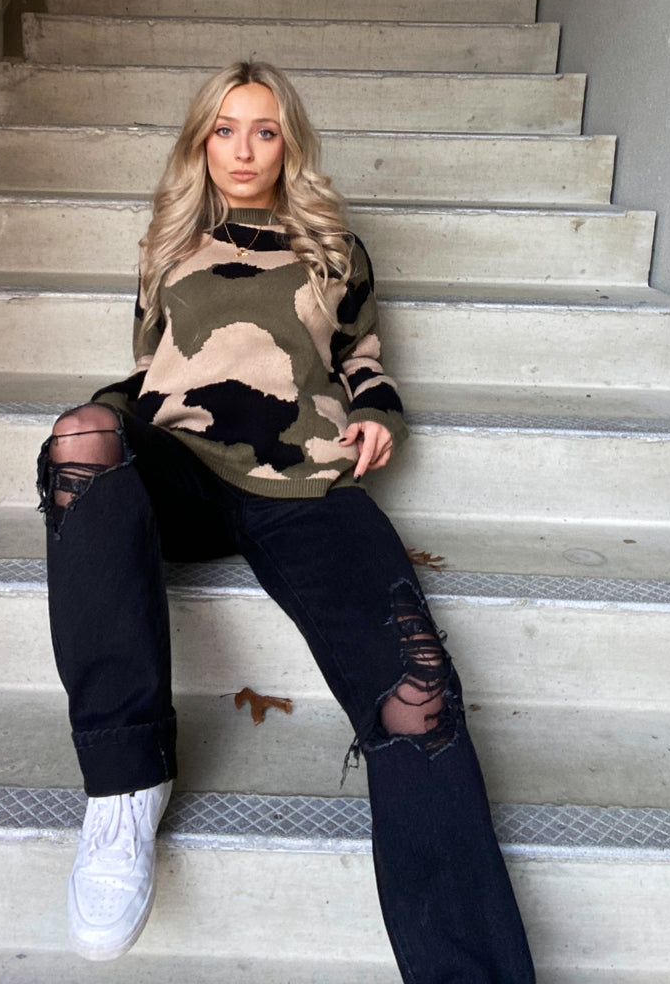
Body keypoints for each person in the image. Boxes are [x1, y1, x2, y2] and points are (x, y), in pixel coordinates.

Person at [37, 61, 535, 981]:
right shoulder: (166, 242)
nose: (243, 150)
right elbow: (154, 369)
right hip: (180, 466)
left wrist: (377, 414)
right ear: (201, 142)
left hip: (300, 475)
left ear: (289, 144)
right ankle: (124, 783)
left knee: (416, 695)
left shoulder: (334, 247)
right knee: (81, 437)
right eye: (224, 130)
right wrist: (111, 428)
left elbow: (361, 356)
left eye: (264, 131)